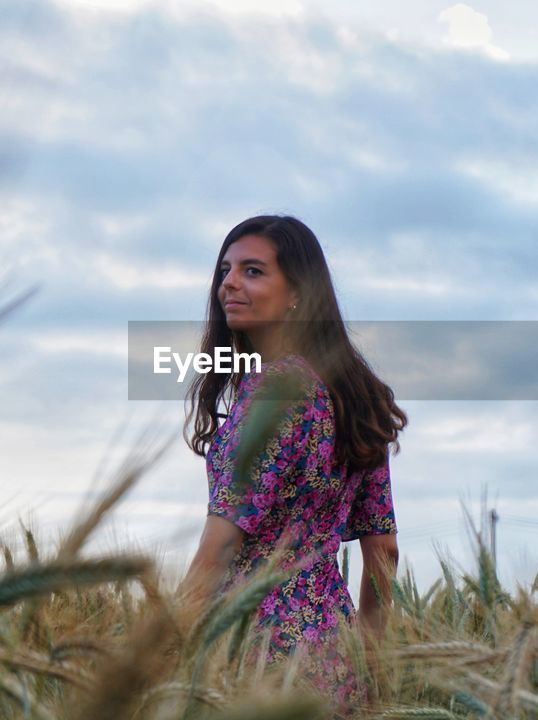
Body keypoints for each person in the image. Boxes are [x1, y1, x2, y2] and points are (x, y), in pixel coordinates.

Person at [178, 215, 406, 711]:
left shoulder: (272, 395)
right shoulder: (355, 394)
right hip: (333, 651)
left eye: (253, 271)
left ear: (298, 292)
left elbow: (218, 548)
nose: (229, 284)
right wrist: (370, 664)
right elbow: (383, 550)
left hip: (253, 651)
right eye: (225, 270)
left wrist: (158, 657)